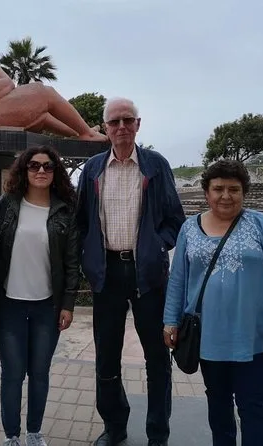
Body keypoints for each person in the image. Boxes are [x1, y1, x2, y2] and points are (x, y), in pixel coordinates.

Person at [163, 160, 263, 446]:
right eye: (218, 189)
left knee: (255, 409)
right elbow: (178, 279)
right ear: (206, 193)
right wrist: (170, 321)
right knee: (218, 407)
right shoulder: (189, 228)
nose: (226, 196)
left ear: (243, 193)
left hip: (255, 340)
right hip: (208, 339)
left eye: (234, 189)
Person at [76, 97, 186, 446]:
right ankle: (115, 427)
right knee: (106, 357)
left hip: (148, 275)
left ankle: (158, 433)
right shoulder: (92, 169)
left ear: (138, 125)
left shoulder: (156, 165)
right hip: (106, 273)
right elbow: (81, 221)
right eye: (114, 122)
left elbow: (175, 220)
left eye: (127, 120)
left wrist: (156, 247)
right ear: (105, 128)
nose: (121, 127)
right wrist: (88, 257)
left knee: (157, 358)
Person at [0, 146, 80, 446]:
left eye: (48, 166)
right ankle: (11, 436)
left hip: (46, 308)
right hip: (9, 306)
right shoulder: (6, 204)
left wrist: (67, 304)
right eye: (34, 165)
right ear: (24, 170)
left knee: (39, 373)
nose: (41, 170)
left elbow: (72, 262)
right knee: (13, 374)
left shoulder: (64, 210)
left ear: (56, 172)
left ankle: (34, 432)